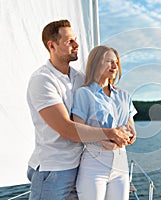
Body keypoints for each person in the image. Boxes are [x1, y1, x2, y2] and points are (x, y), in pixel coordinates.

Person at [26, 20, 131, 200]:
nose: (77, 45)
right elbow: (67, 129)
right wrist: (111, 133)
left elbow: (103, 101)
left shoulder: (79, 78)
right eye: (69, 42)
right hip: (53, 170)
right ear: (52, 45)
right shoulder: (43, 80)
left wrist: (121, 135)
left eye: (75, 39)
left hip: (80, 165)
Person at [71, 45, 137, 200]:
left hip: (121, 164)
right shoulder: (84, 93)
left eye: (116, 62)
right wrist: (107, 137)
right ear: (96, 63)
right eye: (109, 61)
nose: (114, 66)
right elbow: (78, 131)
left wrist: (124, 139)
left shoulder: (124, 96)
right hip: (94, 166)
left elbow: (132, 131)